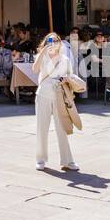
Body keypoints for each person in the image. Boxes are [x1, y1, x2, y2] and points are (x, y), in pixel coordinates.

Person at [34, 32, 81, 172]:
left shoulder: (65, 59)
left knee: (62, 127)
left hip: (59, 95)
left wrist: (66, 79)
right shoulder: (42, 57)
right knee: (42, 128)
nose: (53, 43)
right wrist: (43, 52)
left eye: (56, 40)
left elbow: (70, 75)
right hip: (43, 94)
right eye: (50, 40)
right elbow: (35, 69)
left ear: (60, 43)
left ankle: (67, 160)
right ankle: (40, 159)